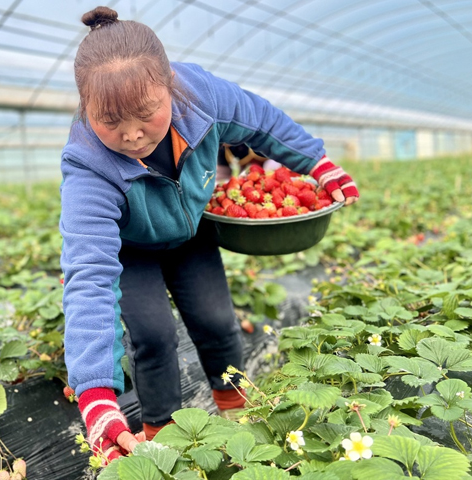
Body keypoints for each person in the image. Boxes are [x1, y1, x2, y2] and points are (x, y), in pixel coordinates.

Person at [59, 6, 358, 465]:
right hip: (130, 250)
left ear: (170, 86)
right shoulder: (87, 165)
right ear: (86, 107)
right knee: (154, 336)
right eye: (110, 122)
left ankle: (237, 412)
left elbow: (262, 121)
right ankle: (162, 439)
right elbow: (89, 276)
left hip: (191, 233)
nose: (132, 135)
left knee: (218, 321)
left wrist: (317, 163)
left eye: (146, 113)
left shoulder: (201, 96)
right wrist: (96, 399)